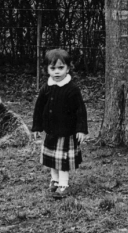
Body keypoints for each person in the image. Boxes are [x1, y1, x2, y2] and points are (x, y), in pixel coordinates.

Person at [31, 48, 88, 199]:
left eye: (61, 68)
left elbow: (80, 110)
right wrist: (37, 126)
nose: (57, 72)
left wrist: (81, 129)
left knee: (62, 161)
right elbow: (39, 108)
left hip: (66, 132)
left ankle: (64, 185)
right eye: (53, 68)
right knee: (51, 160)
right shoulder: (46, 88)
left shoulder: (72, 89)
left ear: (68, 68)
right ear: (47, 69)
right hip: (50, 131)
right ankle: (54, 181)